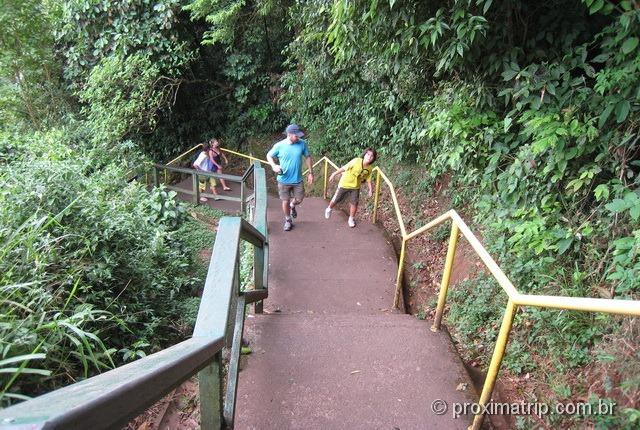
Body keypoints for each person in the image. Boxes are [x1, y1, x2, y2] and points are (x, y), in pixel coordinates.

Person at [266, 124, 314, 231]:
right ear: (289, 134)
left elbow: (308, 157)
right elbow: (269, 155)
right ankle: (288, 220)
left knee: (299, 199)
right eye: (296, 136)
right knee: (285, 201)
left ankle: (293, 205)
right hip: (283, 180)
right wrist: (274, 165)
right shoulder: (279, 145)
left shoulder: (302, 144)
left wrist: (311, 173)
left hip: (298, 179)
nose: (298, 138)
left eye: (299, 136)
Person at [325, 148, 377, 228]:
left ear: (373, 158)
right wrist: (334, 174)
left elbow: (368, 179)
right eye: (368, 154)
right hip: (344, 184)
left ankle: (351, 219)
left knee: (354, 203)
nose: (369, 157)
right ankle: (329, 208)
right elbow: (344, 168)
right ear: (364, 154)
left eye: (371, 156)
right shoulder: (356, 161)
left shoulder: (369, 168)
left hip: (355, 187)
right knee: (336, 199)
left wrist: (370, 189)